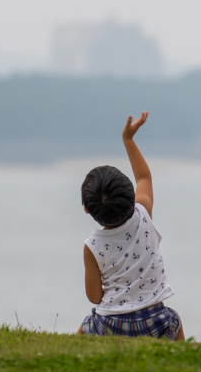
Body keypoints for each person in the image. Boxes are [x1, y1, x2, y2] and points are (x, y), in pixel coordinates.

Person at [78, 112, 184, 341]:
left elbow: (95, 297)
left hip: (109, 325)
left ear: (87, 209)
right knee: (174, 320)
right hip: (155, 322)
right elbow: (144, 177)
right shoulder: (143, 212)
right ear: (130, 195)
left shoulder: (92, 247)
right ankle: (182, 364)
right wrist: (129, 140)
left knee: (85, 326)